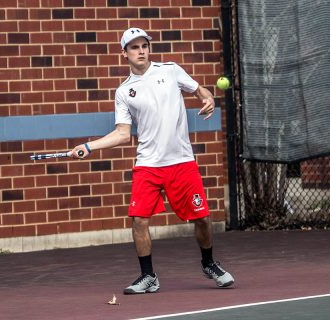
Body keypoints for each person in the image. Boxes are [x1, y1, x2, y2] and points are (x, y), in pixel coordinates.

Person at [71, 27, 234, 294]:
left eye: (144, 45)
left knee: (202, 219)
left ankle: (208, 264)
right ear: (124, 53)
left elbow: (200, 91)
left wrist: (208, 98)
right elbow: (123, 134)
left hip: (181, 161)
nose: (141, 51)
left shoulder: (170, 70)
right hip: (148, 164)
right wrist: (89, 146)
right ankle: (148, 276)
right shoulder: (124, 92)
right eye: (134, 47)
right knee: (139, 219)